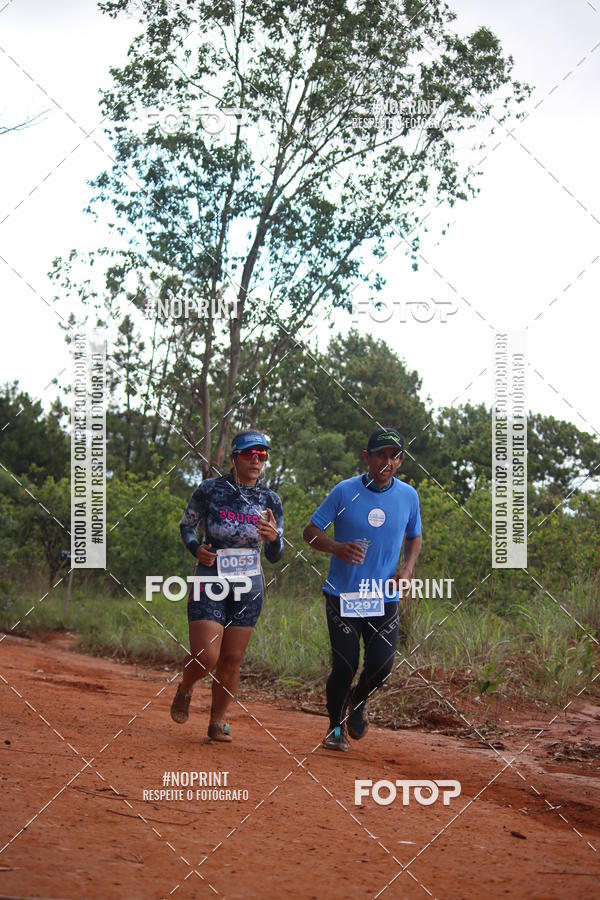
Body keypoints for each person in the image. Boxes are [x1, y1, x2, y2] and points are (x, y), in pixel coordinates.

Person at [303, 427, 422, 751]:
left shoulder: (408, 496)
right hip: (342, 596)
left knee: (381, 667)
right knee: (345, 665)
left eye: (394, 456)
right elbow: (310, 531)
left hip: (383, 598)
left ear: (400, 462)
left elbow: (415, 536)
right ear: (367, 457)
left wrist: (407, 569)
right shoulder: (344, 492)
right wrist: (335, 547)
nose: (387, 462)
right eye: (381, 455)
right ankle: (334, 728)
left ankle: (357, 699)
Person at [170, 430, 284, 741]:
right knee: (207, 656)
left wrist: (274, 538)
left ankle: (217, 722)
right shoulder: (210, 490)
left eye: (262, 455)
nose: (256, 460)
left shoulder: (270, 500)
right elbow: (187, 525)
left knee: (231, 658)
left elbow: (276, 554)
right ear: (234, 457)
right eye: (249, 454)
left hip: (249, 583)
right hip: (211, 576)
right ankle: (186, 685)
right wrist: (196, 549)